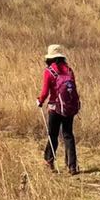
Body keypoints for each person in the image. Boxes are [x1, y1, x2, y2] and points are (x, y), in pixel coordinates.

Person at [37, 44, 80, 174]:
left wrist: (39, 101)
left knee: (53, 135)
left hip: (54, 107)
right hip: (68, 107)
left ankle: (49, 161)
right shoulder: (69, 70)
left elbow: (45, 91)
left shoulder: (49, 71)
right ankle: (72, 166)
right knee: (68, 135)